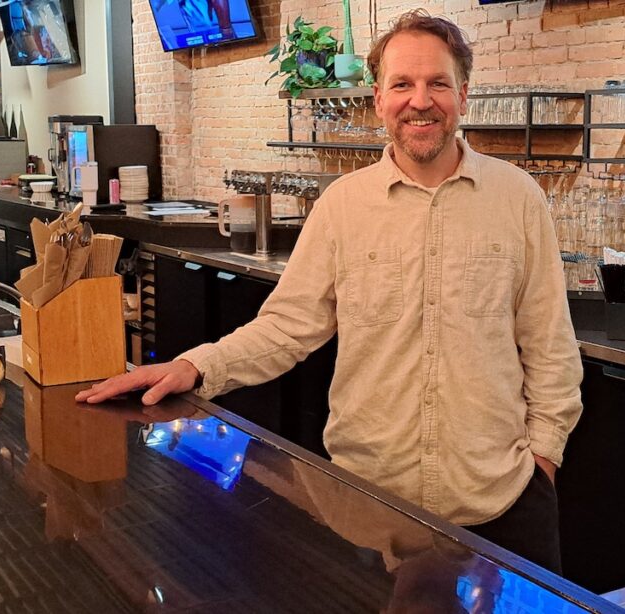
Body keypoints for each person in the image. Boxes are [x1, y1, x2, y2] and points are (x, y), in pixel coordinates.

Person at [76, 9, 583, 573]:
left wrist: (544, 458)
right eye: (402, 84)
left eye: (438, 83)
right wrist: (194, 367)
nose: (421, 100)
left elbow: (550, 347)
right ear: (378, 99)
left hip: (503, 505)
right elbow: (287, 327)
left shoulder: (518, 199)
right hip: (366, 507)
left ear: (463, 94)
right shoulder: (343, 206)